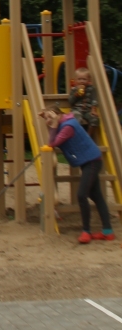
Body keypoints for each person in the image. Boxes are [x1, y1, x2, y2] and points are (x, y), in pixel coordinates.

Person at [40, 103, 115, 244]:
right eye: (46, 118)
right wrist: (50, 119)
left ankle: (86, 231)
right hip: (88, 161)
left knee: (81, 195)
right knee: (96, 195)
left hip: (92, 161)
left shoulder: (68, 126)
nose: (47, 121)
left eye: (49, 117)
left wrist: (54, 124)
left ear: (57, 114)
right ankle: (107, 231)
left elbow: (52, 143)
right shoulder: (66, 122)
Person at [68, 67, 99, 136]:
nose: (82, 81)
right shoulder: (74, 89)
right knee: (76, 117)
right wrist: (76, 94)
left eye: (84, 79)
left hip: (88, 110)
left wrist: (93, 109)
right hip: (77, 109)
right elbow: (70, 102)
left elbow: (94, 99)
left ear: (88, 80)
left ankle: (88, 136)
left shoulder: (91, 89)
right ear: (75, 80)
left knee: (94, 119)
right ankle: (77, 135)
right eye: (79, 79)